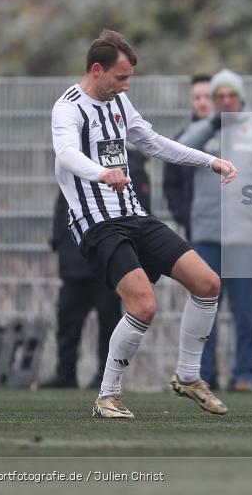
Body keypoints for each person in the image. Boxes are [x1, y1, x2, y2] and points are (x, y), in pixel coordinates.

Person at [51, 29, 237, 419]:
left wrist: (209, 160)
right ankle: (107, 396)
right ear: (97, 70)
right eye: (121, 77)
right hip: (97, 222)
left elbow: (153, 142)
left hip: (132, 213)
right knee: (144, 305)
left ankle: (187, 377)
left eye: (130, 77)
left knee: (207, 283)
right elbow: (67, 153)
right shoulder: (68, 108)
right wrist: (102, 173)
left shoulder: (119, 102)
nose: (126, 85)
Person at [178, 69, 252, 393]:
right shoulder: (202, 132)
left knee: (245, 310)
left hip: (246, 236)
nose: (226, 101)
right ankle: (205, 374)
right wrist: (213, 123)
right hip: (208, 234)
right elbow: (179, 152)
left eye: (231, 95)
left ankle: (245, 374)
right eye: (219, 96)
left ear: (240, 97)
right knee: (205, 308)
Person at [43, 151, 152, 390]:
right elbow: (63, 207)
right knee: (69, 319)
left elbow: (141, 212)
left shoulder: (131, 168)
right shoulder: (77, 163)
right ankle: (66, 373)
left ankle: (105, 376)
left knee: (109, 322)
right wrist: (59, 241)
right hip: (77, 260)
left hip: (110, 262)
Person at [163, 74, 212, 241]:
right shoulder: (181, 141)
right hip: (195, 227)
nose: (202, 102)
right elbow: (170, 183)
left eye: (207, 96)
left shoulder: (232, 137)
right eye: (197, 97)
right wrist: (183, 214)